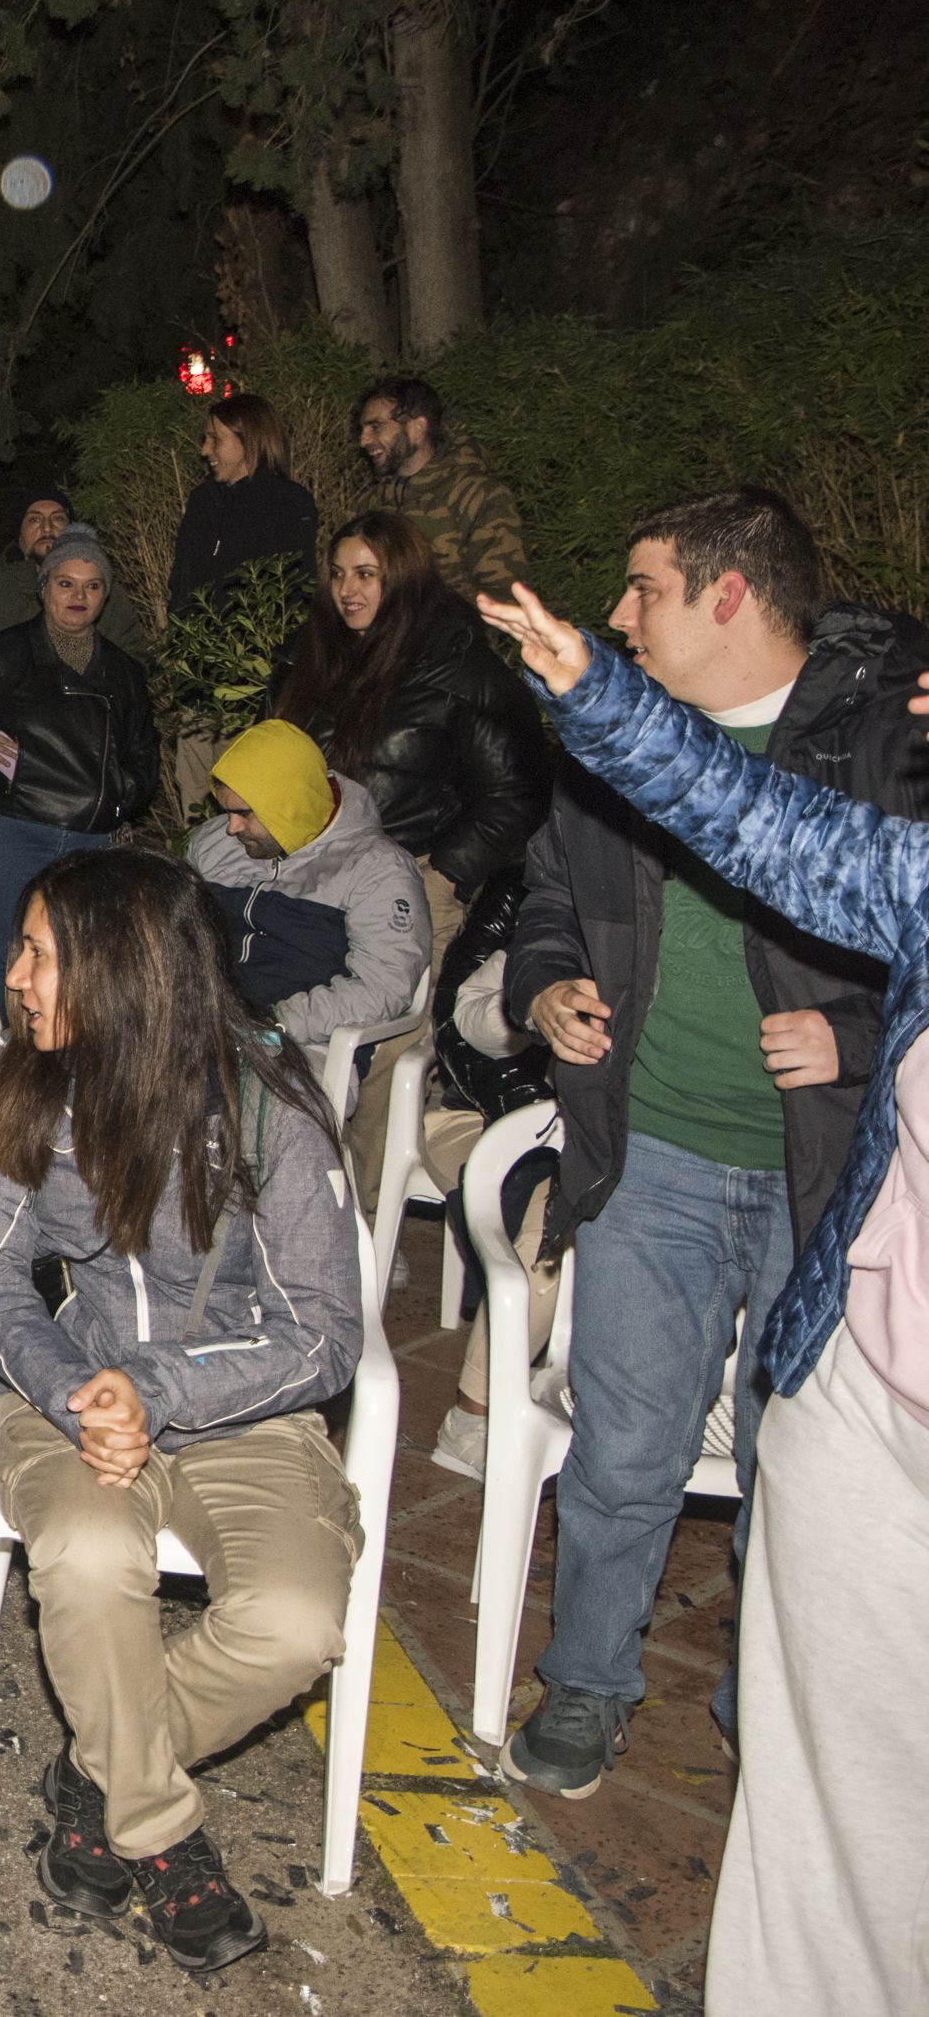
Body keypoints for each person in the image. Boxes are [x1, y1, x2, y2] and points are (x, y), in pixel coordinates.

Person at [479, 573, 929, 2017]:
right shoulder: (636, 753)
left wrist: (850, 1039)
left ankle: (762, 1706)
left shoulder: (867, 732)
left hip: (807, 1180)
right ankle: (590, 1684)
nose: (617, 608)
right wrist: (541, 988)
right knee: (626, 1450)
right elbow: (621, 879)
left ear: (727, 590)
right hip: (692, 1181)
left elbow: (835, 892)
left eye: (641, 589)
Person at [0, 846, 359, 1975]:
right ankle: (160, 1831)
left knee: (295, 1622)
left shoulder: (267, 1104)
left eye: (38, 952)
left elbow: (325, 1331)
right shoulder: (28, 1080)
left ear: (121, 971)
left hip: (242, 1416)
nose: (16, 974)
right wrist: (75, 1389)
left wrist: (164, 1388)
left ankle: (99, 1771)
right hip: (74, 1392)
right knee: (82, 1548)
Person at [266, 509, 549, 954]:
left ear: (402, 577)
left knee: (391, 1023)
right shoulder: (307, 657)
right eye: (338, 574)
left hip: (409, 880)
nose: (347, 590)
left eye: (365, 574)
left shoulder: (456, 664)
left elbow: (518, 786)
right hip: (306, 879)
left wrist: (446, 875)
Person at [0, 523, 157, 998]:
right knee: (7, 956)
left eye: (92, 586)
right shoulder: (4, 652)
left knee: (79, 961)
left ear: (104, 596)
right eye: (65, 583)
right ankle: (3, 1062)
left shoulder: (124, 671)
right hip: (9, 829)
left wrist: (115, 796)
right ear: (44, 587)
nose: (79, 596)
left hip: (88, 838)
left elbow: (144, 756)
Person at [185, 719, 432, 1052]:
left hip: (299, 1045)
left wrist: (270, 1024)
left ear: (290, 806)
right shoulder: (212, 845)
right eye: (227, 811)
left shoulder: (377, 869)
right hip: (200, 1027)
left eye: (244, 813)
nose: (230, 827)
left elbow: (383, 988)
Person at [0, 487, 152, 690]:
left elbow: (134, 662)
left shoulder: (102, 592)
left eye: (58, 519)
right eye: (34, 520)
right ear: (19, 534)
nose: (47, 527)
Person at [354, 376, 529, 601]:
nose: (363, 440)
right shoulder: (371, 503)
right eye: (363, 429)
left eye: (376, 427)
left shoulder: (477, 494)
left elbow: (504, 598)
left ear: (417, 428)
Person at [167, 393, 320, 612]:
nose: (205, 450)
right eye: (206, 439)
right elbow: (182, 581)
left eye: (215, 439)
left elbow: (294, 593)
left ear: (248, 440)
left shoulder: (287, 504)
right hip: (197, 641)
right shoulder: (202, 501)